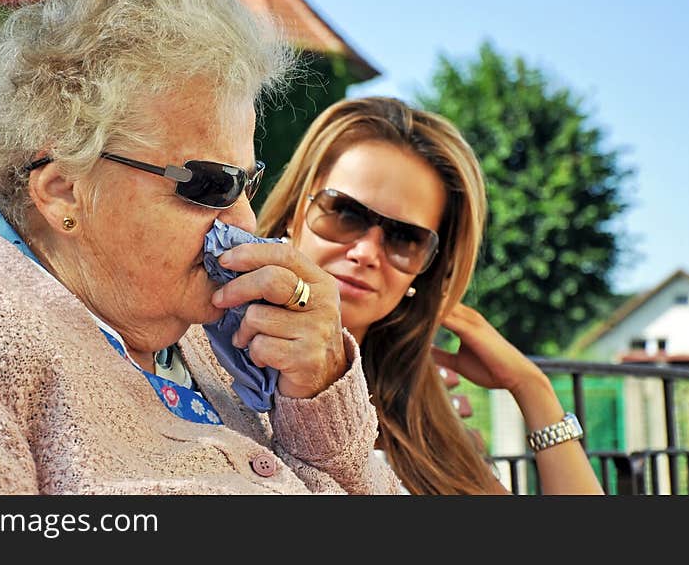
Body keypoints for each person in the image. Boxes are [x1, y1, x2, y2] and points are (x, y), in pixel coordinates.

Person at [0, 0, 402, 495]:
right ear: (64, 191)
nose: (245, 220)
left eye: (246, 182)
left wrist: (317, 392)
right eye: (211, 184)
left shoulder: (211, 340)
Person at [257, 96, 605, 495]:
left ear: (426, 268)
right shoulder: (204, 361)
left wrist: (532, 388)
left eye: (406, 239)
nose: (367, 253)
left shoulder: (426, 431)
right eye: (345, 213)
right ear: (294, 213)